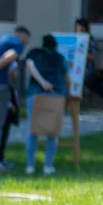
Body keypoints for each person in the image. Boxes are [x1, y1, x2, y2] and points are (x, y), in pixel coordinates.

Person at [24, 34, 69, 175]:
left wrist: (42, 82)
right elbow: (67, 77)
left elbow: (30, 67)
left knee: (32, 130)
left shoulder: (34, 53)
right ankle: (48, 166)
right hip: (56, 95)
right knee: (52, 132)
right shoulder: (60, 57)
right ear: (55, 45)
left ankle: (30, 166)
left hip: (35, 93)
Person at [0, 26, 30, 172]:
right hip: (0, 86)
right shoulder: (17, 44)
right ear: (23, 37)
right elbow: (8, 58)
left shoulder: (0, 38)